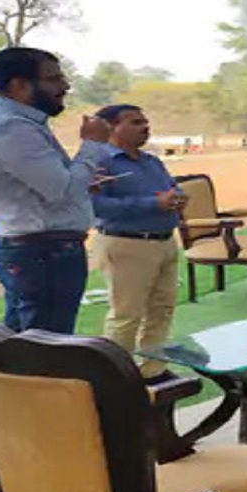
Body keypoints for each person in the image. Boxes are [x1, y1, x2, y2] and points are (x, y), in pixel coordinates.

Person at [0, 47, 110, 334]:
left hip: (38, 251)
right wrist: (92, 144)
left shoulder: (12, 123)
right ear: (19, 85)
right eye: (54, 79)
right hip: (43, 254)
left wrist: (82, 182)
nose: (65, 86)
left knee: (25, 344)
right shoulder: (9, 127)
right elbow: (62, 190)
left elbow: (44, 186)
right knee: (45, 348)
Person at [91, 104, 186, 384]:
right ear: (110, 127)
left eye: (145, 121)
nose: (145, 127)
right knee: (127, 315)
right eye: (135, 122)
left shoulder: (151, 161)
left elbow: (171, 186)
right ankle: (116, 379)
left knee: (162, 309)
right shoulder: (99, 162)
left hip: (164, 241)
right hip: (126, 244)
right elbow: (95, 205)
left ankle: (152, 371)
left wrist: (177, 196)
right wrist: (152, 204)